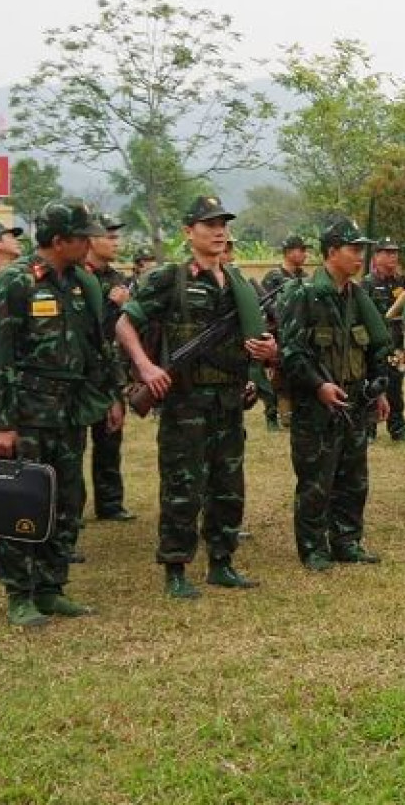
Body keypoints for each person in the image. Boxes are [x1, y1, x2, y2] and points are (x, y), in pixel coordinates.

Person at [119, 196, 279, 597]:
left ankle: (221, 563)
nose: (219, 231)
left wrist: (267, 353)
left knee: (228, 486)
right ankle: (175, 569)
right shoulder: (168, 279)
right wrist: (146, 367)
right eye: (208, 224)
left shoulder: (243, 284)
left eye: (222, 223)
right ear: (189, 232)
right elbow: (125, 324)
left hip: (228, 402)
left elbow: (261, 337)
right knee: (182, 486)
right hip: (185, 402)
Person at [0, 202, 121, 628]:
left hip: (70, 412)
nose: (92, 242)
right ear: (59, 241)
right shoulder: (16, 283)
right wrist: (3, 424)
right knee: (23, 500)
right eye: (83, 237)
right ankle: (19, 593)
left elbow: (99, 347)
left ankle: (51, 586)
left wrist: (110, 396)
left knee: (67, 502)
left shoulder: (81, 283)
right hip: (27, 414)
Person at [277, 219, 392, 570]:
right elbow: (291, 352)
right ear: (331, 252)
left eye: (361, 249)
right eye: (353, 249)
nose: (360, 256)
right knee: (316, 479)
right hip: (316, 406)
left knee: (354, 478)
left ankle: (347, 541)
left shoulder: (357, 297)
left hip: (355, 403)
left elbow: (374, 346)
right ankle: (313, 548)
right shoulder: (303, 296)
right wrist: (319, 385)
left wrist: (379, 390)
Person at [84, 213, 137, 522]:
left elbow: (122, 332)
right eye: (111, 237)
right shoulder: (77, 278)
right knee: (73, 444)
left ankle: (110, 502)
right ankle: (68, 507)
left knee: (110, 437)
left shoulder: (117, 280)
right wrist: (111, 306)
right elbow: (85, 329)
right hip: (81, 374)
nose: (117, 242)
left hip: (110, 371)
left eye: (118, 236)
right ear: (92, 240)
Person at [258, 234, 311, 431]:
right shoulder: (274, 277)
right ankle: (271, 415)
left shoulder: (304, 279)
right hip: (277, 335)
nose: (305, 254)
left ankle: (292, 413)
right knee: (276, 378)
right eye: (301, 250)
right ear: (289, 252)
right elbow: (262, 308)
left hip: (299, 335)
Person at [364, 238, 405, 443]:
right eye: (387, 252)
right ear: (376, 256)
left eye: (395, 252)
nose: (392, 256)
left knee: (395, 388)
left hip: (396, 345)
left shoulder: (402, 282)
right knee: (372, 386)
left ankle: (398, 428)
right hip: (374, 346)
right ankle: (368, 430)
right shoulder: (367, 284)